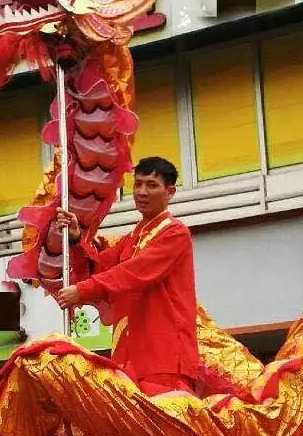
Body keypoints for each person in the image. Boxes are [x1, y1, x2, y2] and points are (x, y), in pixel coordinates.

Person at [52, 156, 200, 396]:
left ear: (170, 192)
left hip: (163, 357)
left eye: (152, 185)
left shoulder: (175, 233)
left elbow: (133, 273)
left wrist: (83, 290)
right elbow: (101, 267)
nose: (142, 192)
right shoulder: (132, 237)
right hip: (128, 357)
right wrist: (76, 239)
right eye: (138, 184)